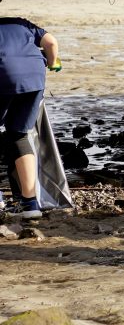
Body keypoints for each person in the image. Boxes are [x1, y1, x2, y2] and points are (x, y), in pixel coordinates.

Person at [1, 15, 61, 220]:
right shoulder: (21, 24)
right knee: (18, 135)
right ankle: (30, 204)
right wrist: (53, 64)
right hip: (34, 78)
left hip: (3, 76)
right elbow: (51, 42)